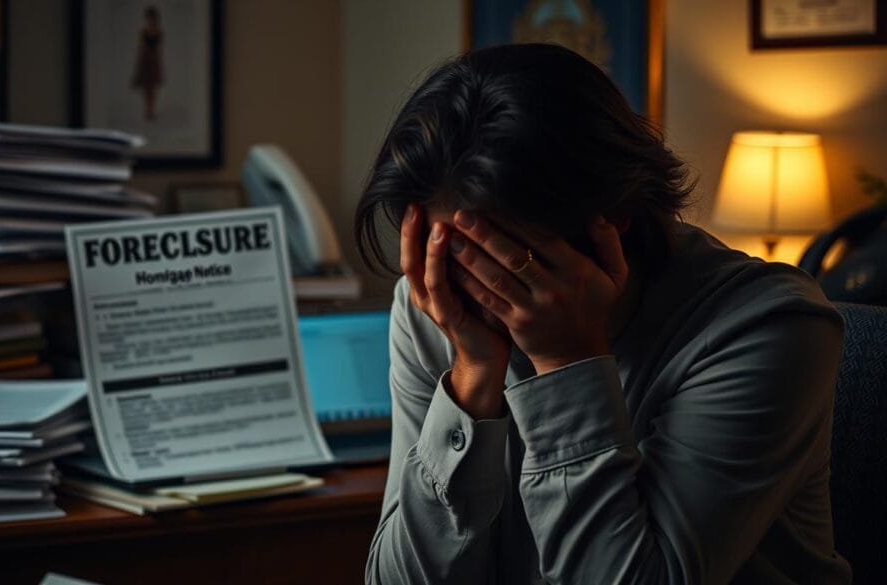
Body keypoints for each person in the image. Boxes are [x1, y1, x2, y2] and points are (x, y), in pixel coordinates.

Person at [355, 44, 851, 584]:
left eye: (499, 259)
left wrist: (567, 362)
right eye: (445, 252)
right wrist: (471, 380)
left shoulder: (771, 328)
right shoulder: (436, 305)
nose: (466, 291)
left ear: (612, 217)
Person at [131, 6, 164, 121]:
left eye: (152, 17)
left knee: (152, 88)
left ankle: (150, 110)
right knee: (146, 89)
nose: (150, 20)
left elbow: (158, 48)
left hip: (154, 61)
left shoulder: (158, 32)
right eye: (149, 18)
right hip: (145, 61)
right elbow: (141, 48)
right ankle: (148, 111)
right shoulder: (143, 32)